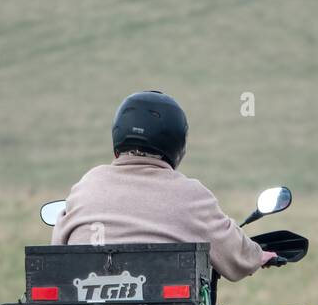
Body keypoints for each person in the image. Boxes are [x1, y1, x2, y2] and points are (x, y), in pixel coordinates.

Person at [51, 90, 275, 281]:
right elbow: (234, 255)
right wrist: (256, 255)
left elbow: (56, 252)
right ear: (177, 142)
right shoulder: (190, 194)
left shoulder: (87, 185)